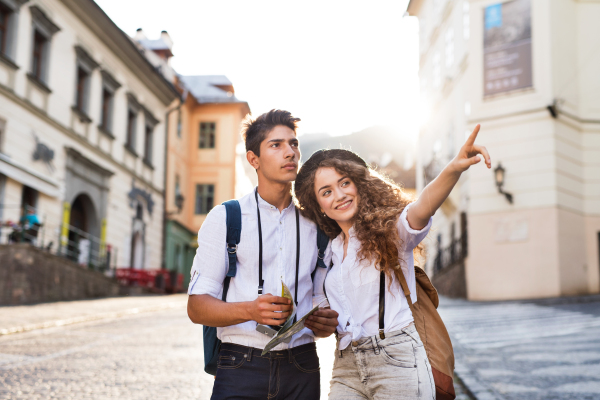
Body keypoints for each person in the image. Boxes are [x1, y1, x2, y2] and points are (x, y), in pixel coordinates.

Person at [295, 125, 490, 399]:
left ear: (359, 184)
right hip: (346, 363)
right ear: (319, 206)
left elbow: (421, 209)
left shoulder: (390, 231)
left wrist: (454, 169)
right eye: (326, 192)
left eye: (344, 183)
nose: (339, 195)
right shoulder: (328, 252)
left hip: (397, 355)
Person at [187, 109, 339, 400]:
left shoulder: (318, 224)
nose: (290, 152)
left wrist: (325, 321)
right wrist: (250, 310)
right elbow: (197, 307)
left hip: (302, 366)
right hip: (240, 364)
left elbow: (320, 299)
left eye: (293, 144)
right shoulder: (226, 218)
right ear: (253, 159)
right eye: (276, 145)